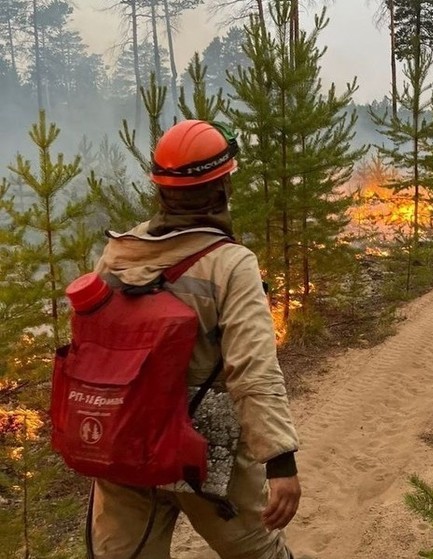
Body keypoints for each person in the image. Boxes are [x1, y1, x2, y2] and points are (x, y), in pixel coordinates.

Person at [90, 120, 301, 559]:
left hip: (126, 440)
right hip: (204, 451)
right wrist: (279, 459)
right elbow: (253, 370)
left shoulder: (119, 253)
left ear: (162, 190)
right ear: (222, 186)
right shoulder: (230, 265)